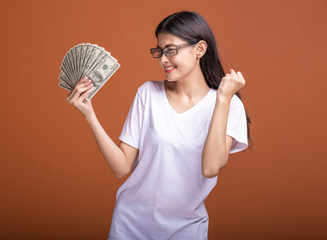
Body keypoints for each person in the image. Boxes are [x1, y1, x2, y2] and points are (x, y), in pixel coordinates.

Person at [66, 11, 251, 240]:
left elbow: (211, 168)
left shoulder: (229, 105)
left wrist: (222, 99)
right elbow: (121, 167)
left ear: (199, 49)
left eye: (171, 50)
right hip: (130, 226)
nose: (163, 59)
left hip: (186, 230)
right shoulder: (148, 93)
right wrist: (89, 115)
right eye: (159, 51)